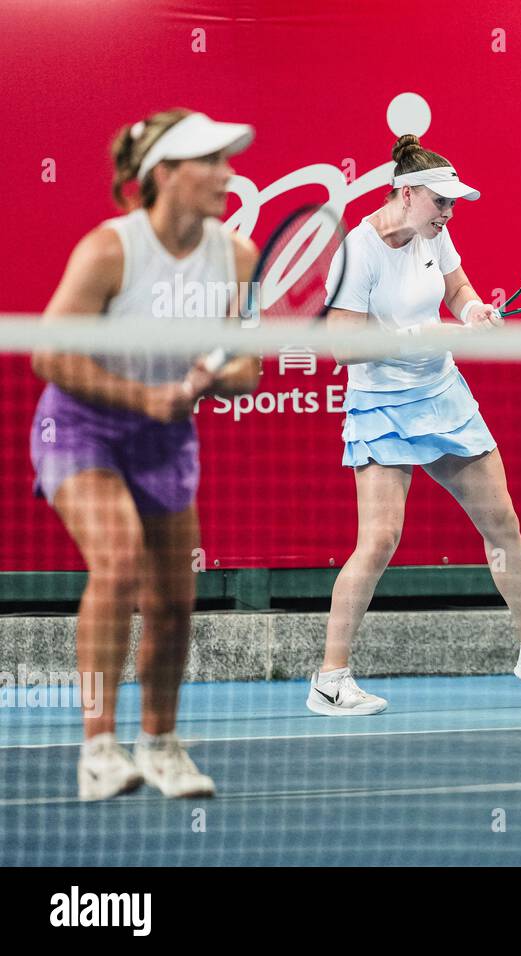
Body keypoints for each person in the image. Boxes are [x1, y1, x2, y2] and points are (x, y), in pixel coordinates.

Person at [307, 134, 521, 717]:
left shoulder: (434, 236)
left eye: (453, 205)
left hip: (443, 397)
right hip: (383, 407)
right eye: (440, 202)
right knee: (379, 540)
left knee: (502, 523)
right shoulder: (358, 251)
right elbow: (342, 346)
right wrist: (422, 337)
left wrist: (471, 311)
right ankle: (331, 679)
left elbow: (458, 288)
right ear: (406, 192)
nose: (449, 213)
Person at [30, 109, 262, 798]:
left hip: (164, 438)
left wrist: (212, 376)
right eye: (210, 161)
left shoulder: (240, 258)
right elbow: (48, 353)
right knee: (119, 559)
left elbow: (247, 368)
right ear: (164, 174)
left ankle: (161, 745)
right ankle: (99, 747)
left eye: (229, 159)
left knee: (173, 604)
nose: (227, 174)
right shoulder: (110, 250)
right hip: (81, 427)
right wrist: (144, 397)